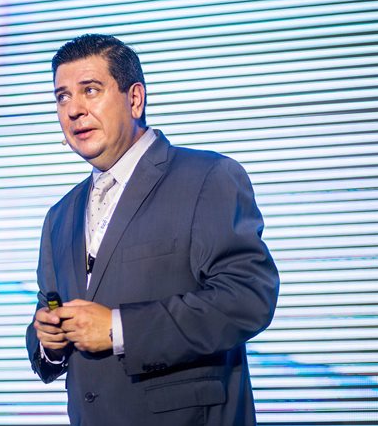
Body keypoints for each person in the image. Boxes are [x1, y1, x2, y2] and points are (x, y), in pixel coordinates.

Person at [25, 33, 279, 425]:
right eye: (62, 96)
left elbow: (246, 298)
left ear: (135, 99)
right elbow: (48, 307)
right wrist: (48, 341)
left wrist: (118, 328)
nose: (73, 109)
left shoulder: (207, 177)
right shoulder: (59, 216)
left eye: (90, 90)